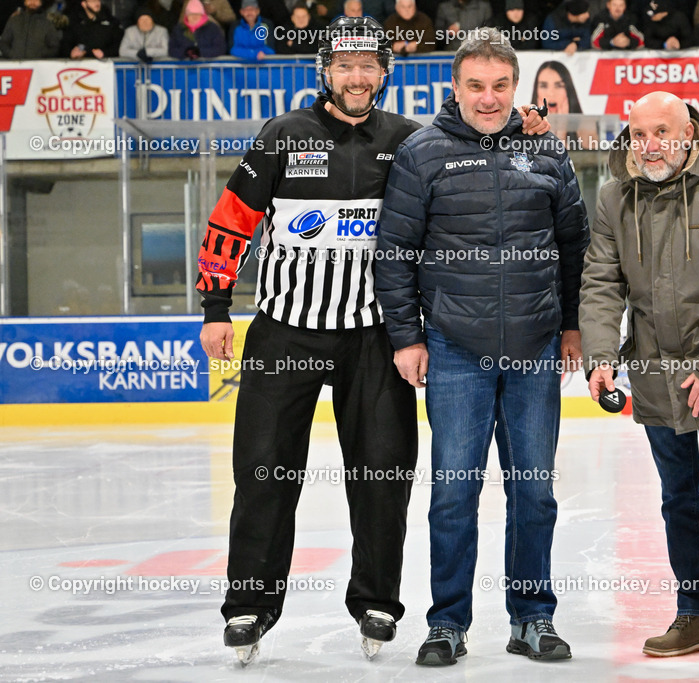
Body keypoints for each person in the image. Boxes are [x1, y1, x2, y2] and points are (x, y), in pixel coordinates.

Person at [197, 14, 550, 668]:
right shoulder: (282, 137)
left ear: (385, 72)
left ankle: (377, 599)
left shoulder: (408, 143)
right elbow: (230, 225)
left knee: (384, 474)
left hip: (375, 336)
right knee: (264, 471)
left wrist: (522, 127)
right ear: (325, 70)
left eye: (369, 66)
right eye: (344, 65)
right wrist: (216, 306)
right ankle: (249, 603)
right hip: (285, 332)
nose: (357, 77)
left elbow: (470, 150)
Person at [374, 26, 589, 667]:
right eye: (476, 86)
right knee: (453, 493)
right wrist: (407, 336)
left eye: (500, 86)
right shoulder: (423, 153)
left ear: (514, 86)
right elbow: (395, 254)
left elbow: (576, 251)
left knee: (534, 492)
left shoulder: (547, 154)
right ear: (456, 86)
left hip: (534, 346)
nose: (489, 99)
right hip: (454, 348)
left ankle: (533, 618)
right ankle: (447, 623)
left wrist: (573, 328)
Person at [580, 91, 699, 674]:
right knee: (678, 500)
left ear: (690, 132)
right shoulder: (615, 197)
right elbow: (601, 283)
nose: (651, 145)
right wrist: (598, 354)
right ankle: (692, 613)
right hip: (655, 375)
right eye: (639, 135)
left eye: (662, 132)